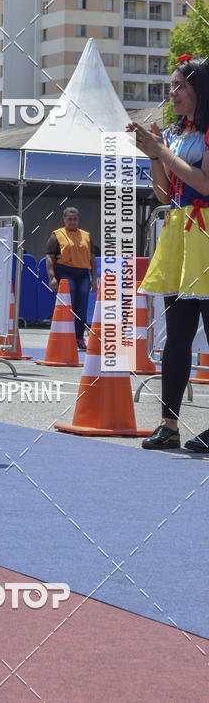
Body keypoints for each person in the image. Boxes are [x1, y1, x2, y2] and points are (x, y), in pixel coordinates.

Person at [128, 55, 209, 453]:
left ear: (200, 90)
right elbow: (164, 193)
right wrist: (153, 153)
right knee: (176, 337)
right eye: (173, 85)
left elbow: (205, 184)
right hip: (179, 234)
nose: (172, 93)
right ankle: (168, 424)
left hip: (206, 234)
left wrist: (164, 150)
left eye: (180, 86)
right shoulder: (178, 132)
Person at [45, 207, 98, 349]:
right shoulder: (56, 235)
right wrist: (52, 278)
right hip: (65, 271)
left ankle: (79, 337)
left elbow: (92, 259)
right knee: (68, 303)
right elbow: (50, 258)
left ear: (78, 220)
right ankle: (65, 336)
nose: (72, 222)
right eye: (69, 219)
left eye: (75, 219)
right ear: (64, 219)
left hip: (82, 273)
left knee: (82, 305)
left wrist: (94, 279)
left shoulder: (86, 236)